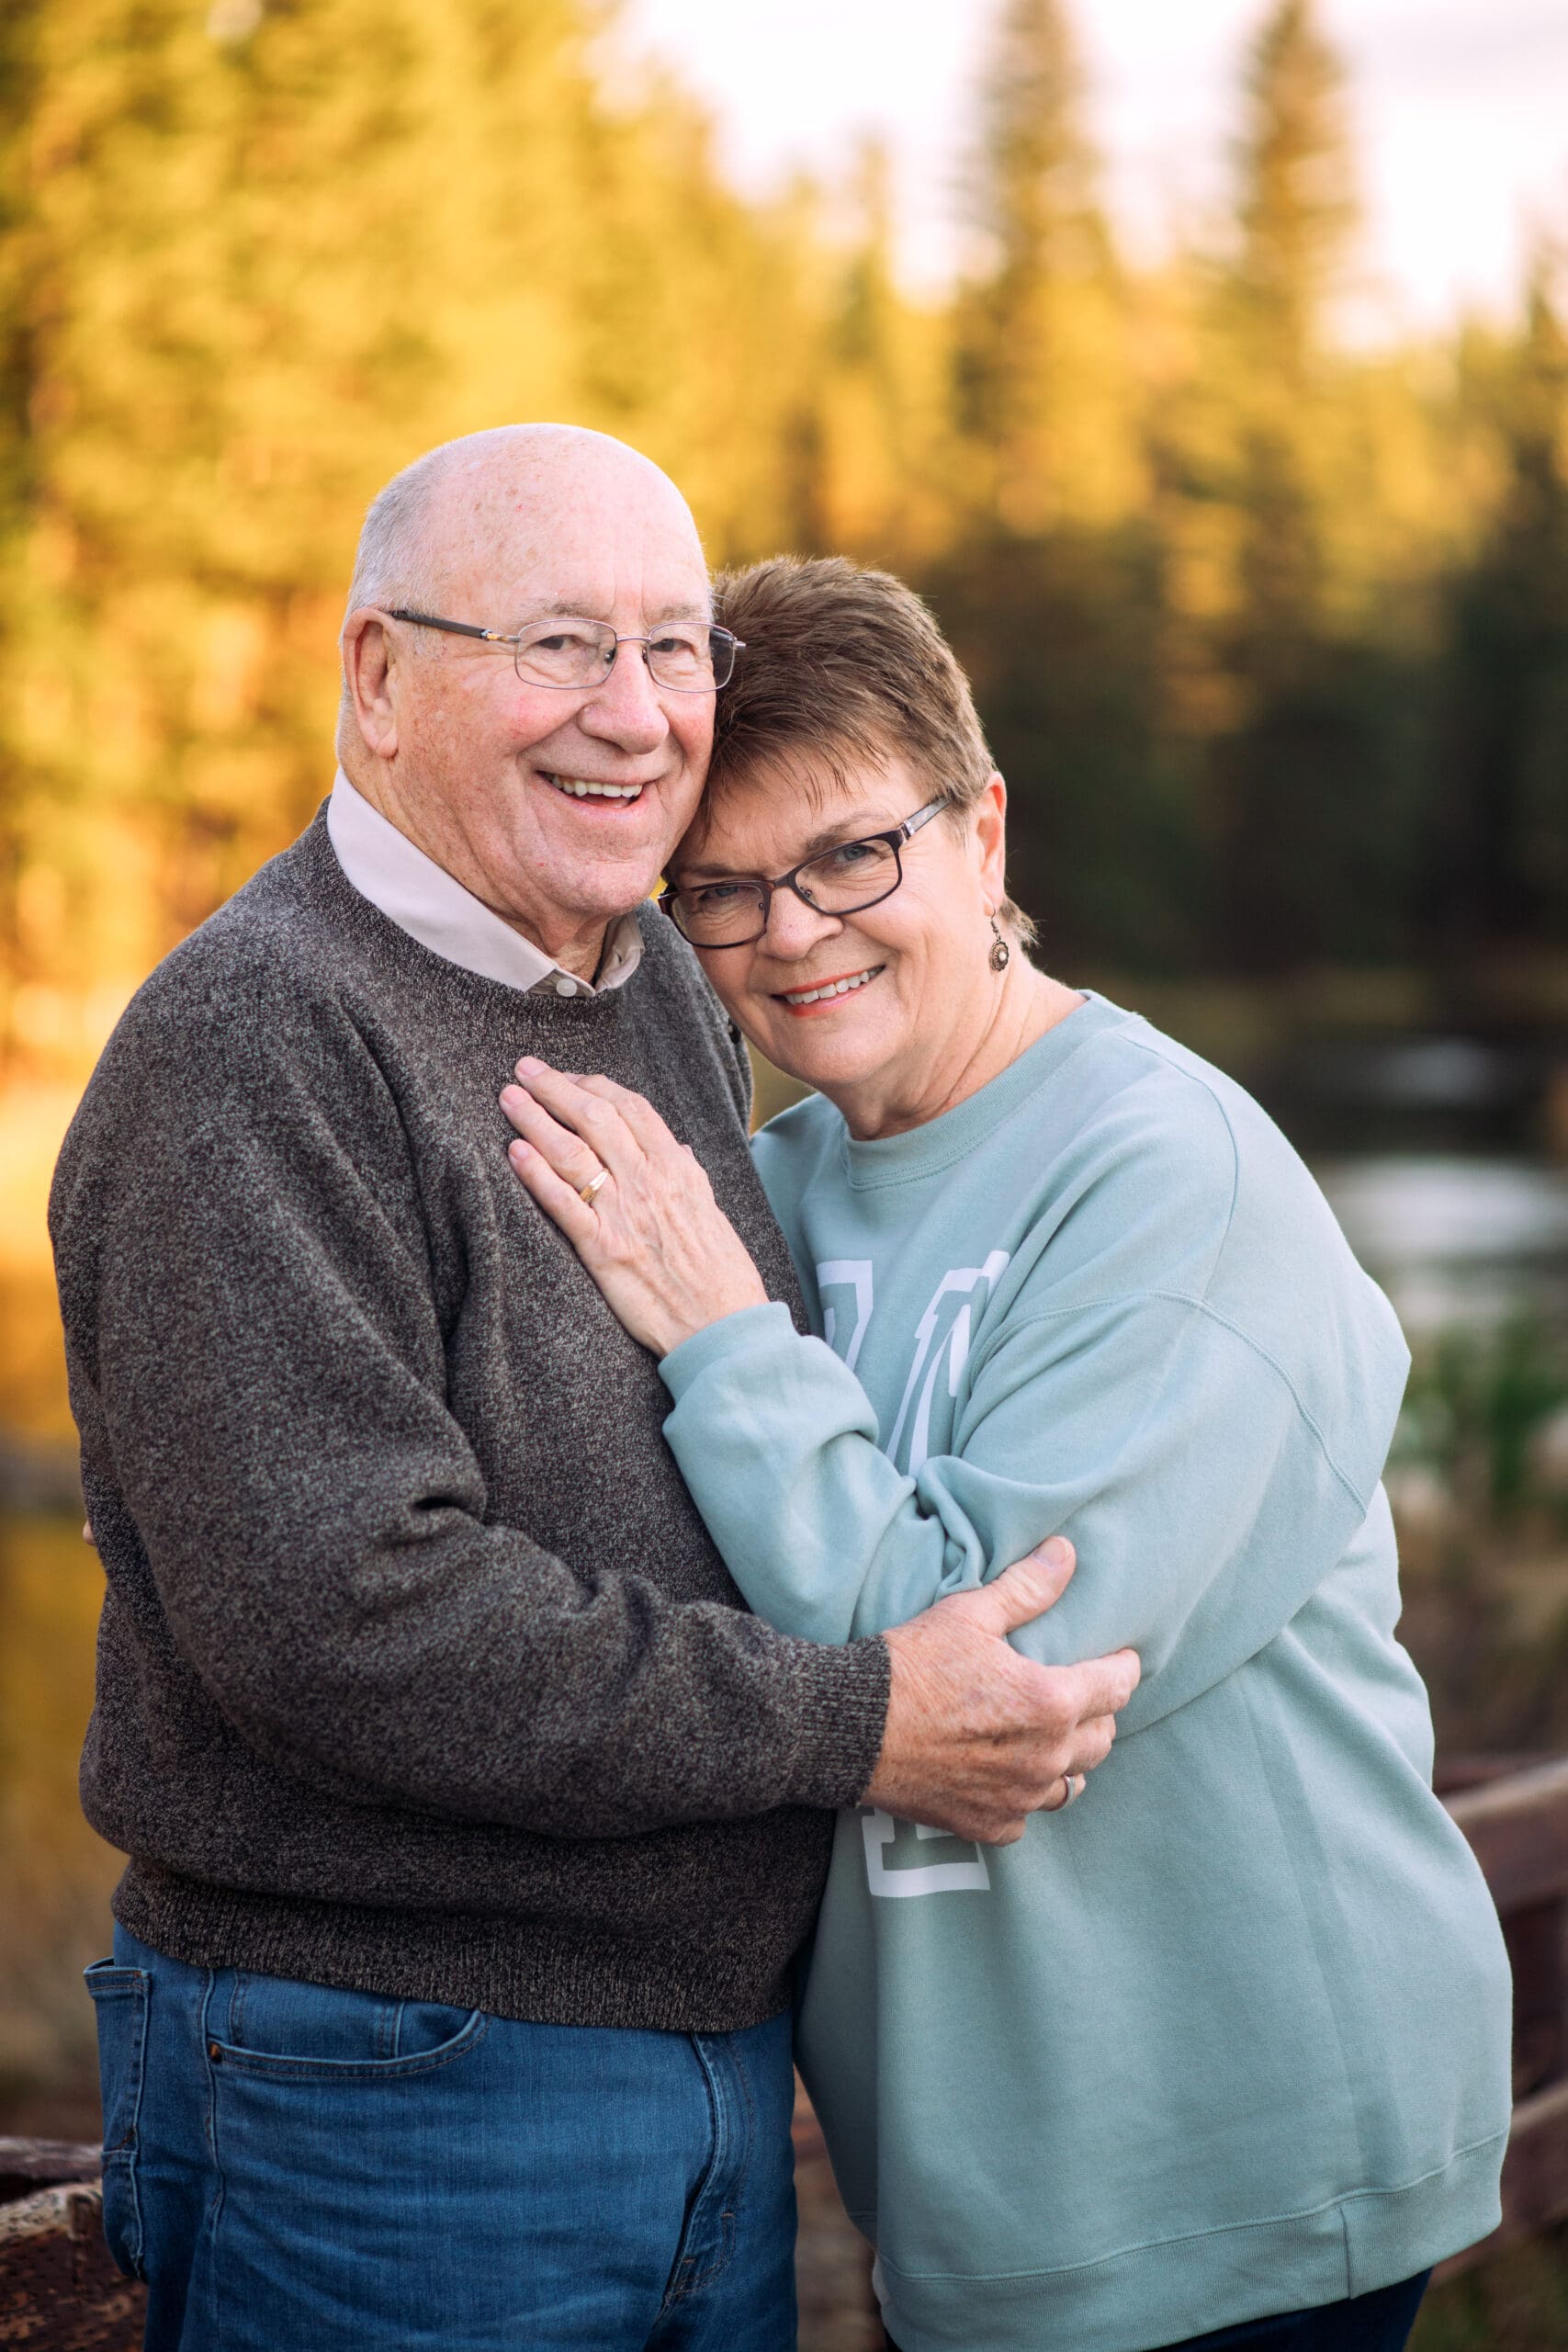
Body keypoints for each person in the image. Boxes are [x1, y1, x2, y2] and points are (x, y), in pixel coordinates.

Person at [50, 434, 1140, 2352]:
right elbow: (345, 1617)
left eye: (672, 645)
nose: (635, 718)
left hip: (697, 2070)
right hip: (393, 2084)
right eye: (561, 644)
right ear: (377, 675)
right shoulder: (253, 1043)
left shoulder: (636, 969)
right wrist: (858, 1721)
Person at [501, 554, 1515, 2352]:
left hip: (1232, 2172)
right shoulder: (763, 1195)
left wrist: (725, 1339)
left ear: (980, 829)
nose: (789, 933)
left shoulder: (1168, 1176)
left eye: (849, 855)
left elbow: (996, 1679)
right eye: (718, 891)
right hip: (974, 2191)